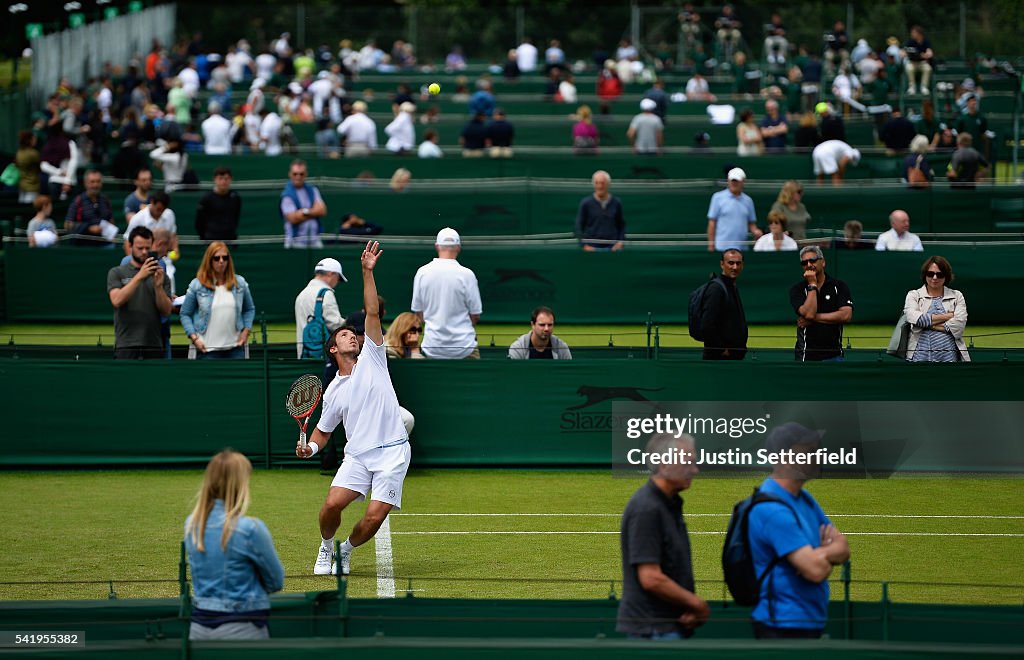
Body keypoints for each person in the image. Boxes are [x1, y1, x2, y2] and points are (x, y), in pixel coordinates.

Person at [297, 241, 413, 577]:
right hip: (358, 456)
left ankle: (345, 551)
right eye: (346, 335)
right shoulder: (333, 390)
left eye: (355, 334)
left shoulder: (373, 357)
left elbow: (373, 312)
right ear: (333, 348)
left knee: (375, 516)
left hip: (393, 452)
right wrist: (311, 447)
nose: (353, 337)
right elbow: (323, 431)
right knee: (331, 505)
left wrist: (366, 272)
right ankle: (325, 547)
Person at [748, 423, 850, 638]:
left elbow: (843, 546)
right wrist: (825, 556)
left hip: (808, 620)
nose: (818, 456)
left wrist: (820, 555)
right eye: (809, 451)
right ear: (784, 458)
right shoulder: (772, 510)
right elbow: (816, 571)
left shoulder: (805, 499)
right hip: (782, 625)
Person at [617, 433, 709, 640]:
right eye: (688, 463)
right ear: (664, 464)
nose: (695, 470)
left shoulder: (668, 503)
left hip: (668, 625)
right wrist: (697, 604)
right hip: (654, 629)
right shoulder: (647, 508)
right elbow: (651, 578)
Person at [184, 450, 285, 640]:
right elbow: (276, 581)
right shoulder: (250, 529)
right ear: (241, 485)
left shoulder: (191, 524)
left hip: (198, 628)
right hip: (243, 628)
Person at [411, 228, 483, 359]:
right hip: (465, 348)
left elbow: (418, 314)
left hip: (432, 347)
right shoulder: (467, 275)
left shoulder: (422, 272)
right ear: (458, 247)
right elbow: (475, 315)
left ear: (437, 246)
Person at [180, 242, 255, 360]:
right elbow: (185, 314)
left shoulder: (240, 283)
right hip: (207, 349)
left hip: (235, 348)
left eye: (225, 258)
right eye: (216, 258)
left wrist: (246, 331)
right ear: (209, 260)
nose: (221, 261)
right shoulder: (197, 284)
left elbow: (249, 309)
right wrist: (194, 338)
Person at [107, 226, 173, 359]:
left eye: (148, 248)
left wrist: (158, 287)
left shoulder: (160, 275)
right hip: (126, 344)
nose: (144, 252)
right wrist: (139, 276)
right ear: (130, 246)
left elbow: (166, 311)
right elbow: (117, 300)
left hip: (154, 344)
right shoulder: (117, 272)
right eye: (140, 248)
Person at [790, 246, 853, 362]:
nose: (808, 265)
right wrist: (812, 285)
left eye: (812, 260)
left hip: (834, 355)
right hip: (805, 356)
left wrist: (815, 318)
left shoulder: (839, 286)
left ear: (823, 262)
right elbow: (809, 314)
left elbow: (846, 315)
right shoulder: (797, 289)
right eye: (804, 263)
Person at [904, 256, 970, 362]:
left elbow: (958, 325)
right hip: (919, 356)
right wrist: (948, 316)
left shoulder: (957, 295)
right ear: (925, 275)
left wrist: (927, 325)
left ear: (946, 276)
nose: (934, 278)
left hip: (949, 357)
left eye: (939, 274)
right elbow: (915, 318)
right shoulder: (914, 295)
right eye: (930, 274)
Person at [295, 257, 347, 359]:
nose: (337, 282)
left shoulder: (301, 294)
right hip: (321, 353)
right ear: (331, 274)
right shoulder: (326, 293)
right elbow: (335, 324)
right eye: (338, 278)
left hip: (303, 350)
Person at [701, 249, 747, 360]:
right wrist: (722, 350)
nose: (735, 267)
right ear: (722, 264)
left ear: (743, 265)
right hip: (720, 359)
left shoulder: (731, 286)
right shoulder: (716, 288)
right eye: (731, 263)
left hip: (732, 356)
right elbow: (707, 324)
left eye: (738, 263)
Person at [707, 168, 761, 252]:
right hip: (722, 248)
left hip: (742, 249)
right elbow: (712, 223)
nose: (734, 183)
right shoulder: (717, 197)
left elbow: (751, 223)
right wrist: (711, 245)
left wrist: (755, 231)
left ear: (743, 182)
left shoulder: (748, 201)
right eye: (732, 180)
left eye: (737, 181)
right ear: (728, 181)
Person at [280, 159, 327, 249]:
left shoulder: (313, 190)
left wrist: (303, 212)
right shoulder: (286, 194)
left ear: (306, 174)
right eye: (295, 174)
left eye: (301, 174)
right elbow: (293, 218)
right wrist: (313, 212)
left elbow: (322, 210)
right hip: (295, 242)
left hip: (315, 241)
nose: (298, 177)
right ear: (290, 174)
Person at [575, 170, 625, 251]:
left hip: (612, 249)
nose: (600, 186)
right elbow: (578, 226)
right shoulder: (586, 203)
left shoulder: (616, 203)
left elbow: (621, 225)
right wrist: (584, 245)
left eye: (602, 183)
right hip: (591, 249)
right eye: (597, 183)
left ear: (608, 185)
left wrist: (620, 242)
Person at [65, 169, 118, 247]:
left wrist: (109, 228)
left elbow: (111, 220)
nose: (95, 185)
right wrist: (88, 228)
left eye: (98, 181)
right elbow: (67, 225)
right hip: (83, 245)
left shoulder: (105, 200)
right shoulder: (78, 201)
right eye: (92, 182)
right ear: (85, 183)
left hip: (104, 243)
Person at [123, 190, 178, 257]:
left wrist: (175, 249)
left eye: (163, 210)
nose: (160, 213)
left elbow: (173, 236)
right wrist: (133, 262)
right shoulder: (137, 218)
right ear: (152, 202)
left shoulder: (170, 214)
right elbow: (127, 242)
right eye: (158, 209)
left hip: (166, 259)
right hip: (143, 260)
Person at [195, 167, 243, 241]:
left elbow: (236, 217)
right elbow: (199, 221)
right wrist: (204, 237)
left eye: (226, 179)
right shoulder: (206, 198)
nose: (223, 181)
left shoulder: (235, 197)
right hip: (211, 239)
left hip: (229, 239)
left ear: (231, 179)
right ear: (214, 179)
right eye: (220, 178)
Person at [508, 306, 573, 360]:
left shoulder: (562, 347)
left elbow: (569, 372)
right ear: (532, 325)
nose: (546, 329)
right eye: (542, 325)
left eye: (550, 325)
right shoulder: (517, 348)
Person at [902, 25, 934, 95]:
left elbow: (930, 53)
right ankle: (912, 88)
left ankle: (924, 87)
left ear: (919, 34)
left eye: (914, 32)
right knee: (909, 68)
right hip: (912, 62)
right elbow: (903, 52)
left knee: (928, 68)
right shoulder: (910, 42)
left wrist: (924, 55)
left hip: (922, 62)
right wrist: (904, 53)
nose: (912, 34)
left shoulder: (926, 42)